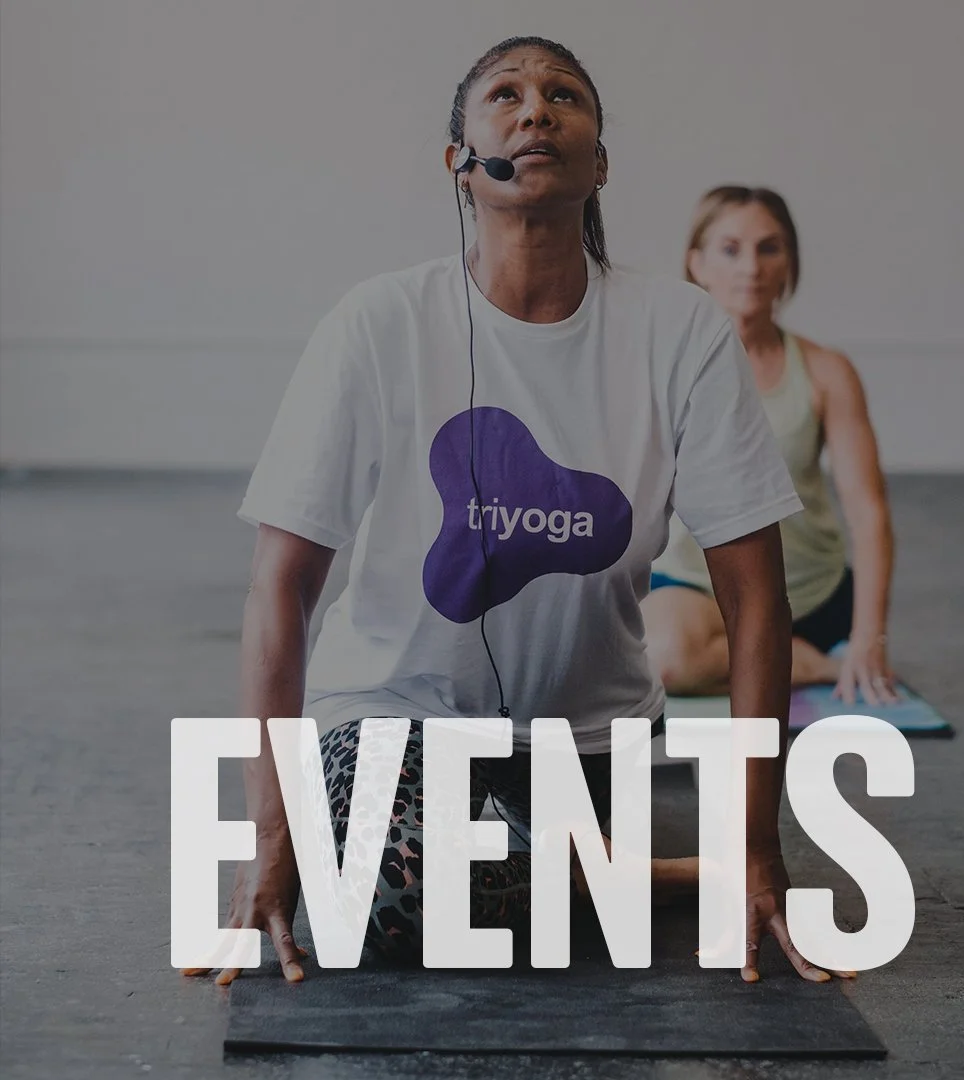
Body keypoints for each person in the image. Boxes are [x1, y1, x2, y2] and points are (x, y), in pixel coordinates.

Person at [182, 38, 850, 988]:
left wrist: (754, 845)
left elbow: (757, 603)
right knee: (394, 897)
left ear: (600, 164)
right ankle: (609, 879)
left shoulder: (682, 333)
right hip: (389, 713)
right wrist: (275, 834)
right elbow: (278, 590)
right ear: (460, 160)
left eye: (564, 97)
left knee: (459, 890)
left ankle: (583, 863)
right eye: (506, 95)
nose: (536, 110)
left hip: (584, 745)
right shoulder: (377, 324)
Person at [645, 187, 899, 708]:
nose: (752, 268)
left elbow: (869, 514)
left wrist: (870, 642)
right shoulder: (662, 369)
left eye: (769, 248)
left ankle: (797, 649)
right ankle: (812, 663)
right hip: (701, 586)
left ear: (790, 264)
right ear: (697, 264)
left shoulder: (827, 372)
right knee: (661, 657)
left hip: (807, 590)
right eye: (731, 249)